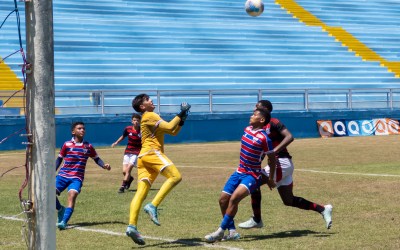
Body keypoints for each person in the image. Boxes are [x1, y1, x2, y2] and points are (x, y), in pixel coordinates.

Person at [238, 100, 333, 230]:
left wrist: (274, 152)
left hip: (281, 162)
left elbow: (289, 137)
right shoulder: (259, 128)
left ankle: (257, 219)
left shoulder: (274, 122)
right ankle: (323, 209)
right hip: (280, 164)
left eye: (257, 107)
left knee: (254, 182)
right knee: (288, 200)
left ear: (265, 110)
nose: (254, 109)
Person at [126, 93, 191, 245]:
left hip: (143, 158)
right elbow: (169, 126)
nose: (151, 100)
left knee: (141, 193)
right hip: (151, 153)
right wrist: (180, 112)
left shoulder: (152, 118)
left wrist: (182, 119)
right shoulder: (149, 115)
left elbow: (172, 132)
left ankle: (132, 226)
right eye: (148, 99)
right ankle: (153, 205)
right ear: (142, 106)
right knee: (175, 177)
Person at [204, 108, 277, 243]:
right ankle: (232, 232)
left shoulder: (264, 139)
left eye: (254, 115)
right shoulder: (247, 129)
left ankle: (219, 231)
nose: (251, 116)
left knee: (234, 199)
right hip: (239, 172)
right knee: (223, 200)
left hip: (252, 175)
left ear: (261, 120)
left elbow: (272, 159)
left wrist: (270, 179)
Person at [56, 121, 111, 230]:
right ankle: (60, 209)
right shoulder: (66, 145)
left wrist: (104, 165)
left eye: (83, 129)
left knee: (72, 196)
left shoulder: (88, 146)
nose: (82, 130)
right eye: (79, 128)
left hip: (77, 178)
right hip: (62, 175)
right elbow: (59, 159)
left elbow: (97, 159)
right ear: (73, 131)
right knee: (49, 195)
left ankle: (64, 222)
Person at [111, 113, 142, 193]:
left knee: (128, 170)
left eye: (138, 121)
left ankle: (122, 187)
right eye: (134, 120)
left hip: (136, 152)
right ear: (132, 121)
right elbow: (123, 136)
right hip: (127, 151)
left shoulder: (142, 131)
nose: (136, 122)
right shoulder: (128, 129)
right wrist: (116, 142)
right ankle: (130, 179)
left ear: (140, 122)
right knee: (124, 172)